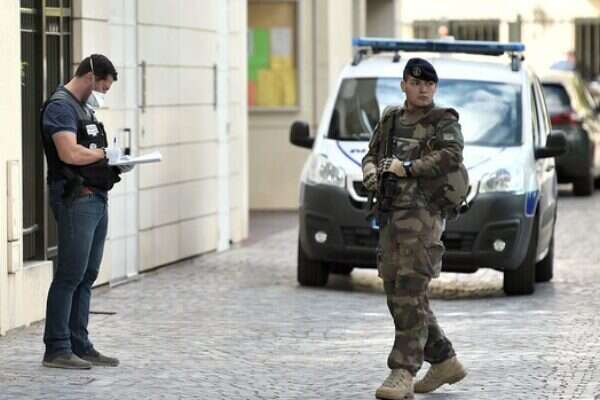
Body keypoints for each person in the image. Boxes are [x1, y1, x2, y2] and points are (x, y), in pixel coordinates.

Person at [362, 58, 467, 399]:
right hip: (391, 215)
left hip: (423, 218)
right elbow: (371, 154)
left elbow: (452, 155)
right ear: (404, 84)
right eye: (417, 83)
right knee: (398, 293)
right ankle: (445, 361)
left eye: (429, 84)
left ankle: (403, 371)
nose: (424, 89)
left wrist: (407, 167)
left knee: (410, 290)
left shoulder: (443, 119)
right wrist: (370, 172)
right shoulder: (391, 119)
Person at [41, 54, 133, 369]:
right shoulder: (60, 107)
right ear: (90, 76)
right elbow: (69, 152)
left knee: (87, 274)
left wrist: (115, 161)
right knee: (70, 274)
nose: (102, 94)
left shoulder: (83, 109)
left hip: (96, 198)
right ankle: (57, 348)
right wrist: (105, 153)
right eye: (103, 87)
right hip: (76, 199)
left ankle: (79, 344)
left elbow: (90, 152)